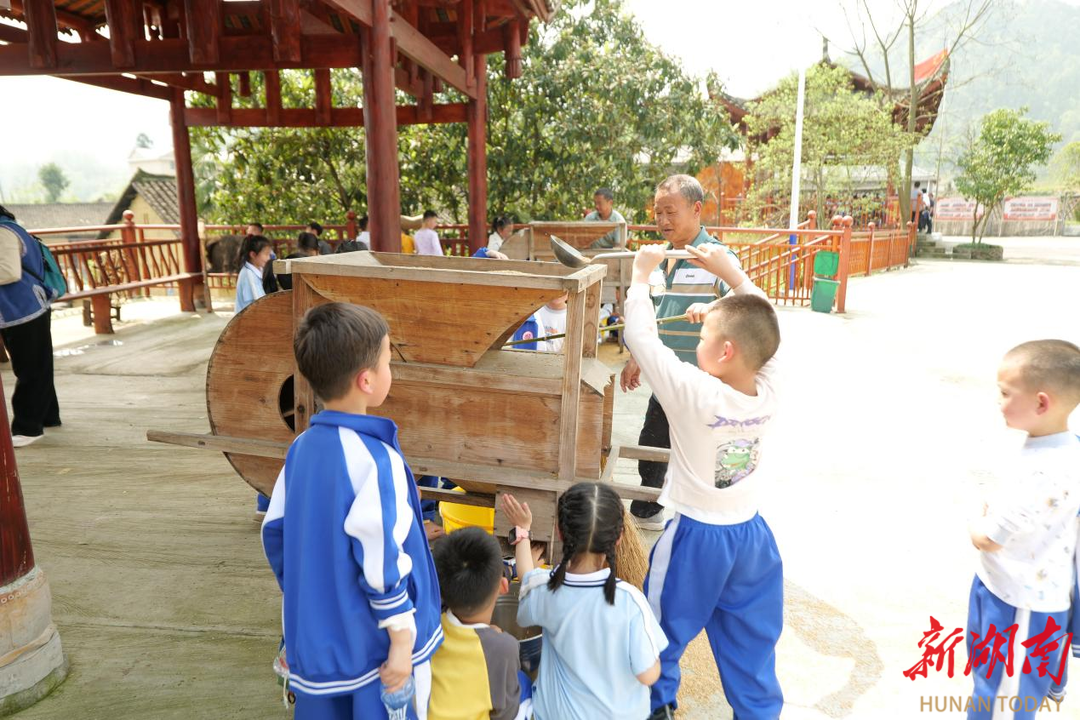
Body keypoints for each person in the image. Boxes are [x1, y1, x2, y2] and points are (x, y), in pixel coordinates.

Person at [624, 241, 784, 720]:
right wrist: (732, 277)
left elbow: (641, 339)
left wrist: (640, 275)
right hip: (752, 537)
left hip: (697, 537)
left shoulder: (694, 393)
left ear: (726, 350)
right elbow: (767, 326)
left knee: (659, 632)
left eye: (703, 338)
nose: (697, 344)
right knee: (752, 642)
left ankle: (656, 707)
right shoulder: (770, 387)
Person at [262, 303, 442, 719]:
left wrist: (308, 603)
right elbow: (382, 563)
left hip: (317, 648)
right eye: (388, 361)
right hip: (375, 654)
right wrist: (402, 641)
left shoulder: (299, 450)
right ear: (366, 380)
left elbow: (275, 533)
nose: (390, 370)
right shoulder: (376, 460)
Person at [620, 174, 743, 531]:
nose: (662, 220)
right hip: (665, 381)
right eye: (658, 212)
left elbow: (746, 302)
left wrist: (713, 308)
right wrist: (636, 357)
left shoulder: (716, 256)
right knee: (652, 451)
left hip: (704, 386)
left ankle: (709, 523)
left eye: (670, 212)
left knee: (703, 458)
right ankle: (647, 515)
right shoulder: (658, 260)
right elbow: (652, 316)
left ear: (696, 209)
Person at [966, 340, 1080, 718]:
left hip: (1020, 605)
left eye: (1005, 393)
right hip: (1010, 588)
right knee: (992, 684)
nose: (999, 403)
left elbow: (988, 539)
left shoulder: (1044, 470)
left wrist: (976, 518)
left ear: (1041, 403)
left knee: (1001, 700)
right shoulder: (1062, 448)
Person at [501, 483, 666, 720]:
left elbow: (527, 577)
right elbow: (647, 675)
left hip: (556, 716)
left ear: (560, 531)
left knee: (513, 675)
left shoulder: (545, 588)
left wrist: (523, 531)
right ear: (619, 537)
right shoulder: (631, 601)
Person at [428, 527, 532, 720]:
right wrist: (494, 641)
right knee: (524, 683)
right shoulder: (503, 647)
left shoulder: (428, 623)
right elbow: (506, 714)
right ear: (503, 586)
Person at [0, 204, 61, 448]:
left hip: (23, 309)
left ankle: (28, 428)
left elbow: (8, 271)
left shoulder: (3, 231)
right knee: (37, 364)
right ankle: (47, 416)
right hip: (21, 308)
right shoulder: (9, 228)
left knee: (31, 369)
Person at [235, 234, 271, 314]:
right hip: (247, 318)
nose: (268, 258)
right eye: (266, 254)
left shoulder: (258, 269)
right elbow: (257, 304)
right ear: (253, 255)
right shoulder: (248, 275)